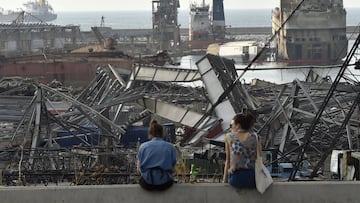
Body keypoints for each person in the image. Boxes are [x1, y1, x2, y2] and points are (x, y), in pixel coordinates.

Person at [137, 119, 177, 190]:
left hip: (147, 183)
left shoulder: (143, 147)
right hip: (165, 184)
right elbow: (173, 169)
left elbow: (139, 169)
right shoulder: (170, 147)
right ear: (162, 133)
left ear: (150, 134)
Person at [223, 112, 258, 189]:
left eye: (232, 125)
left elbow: (228, 161)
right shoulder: (255, 136)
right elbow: (259, 157)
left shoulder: (229, 136)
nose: (231, 127)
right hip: (253, 178)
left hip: (236, 178)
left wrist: (224, 181)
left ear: (238, 125)